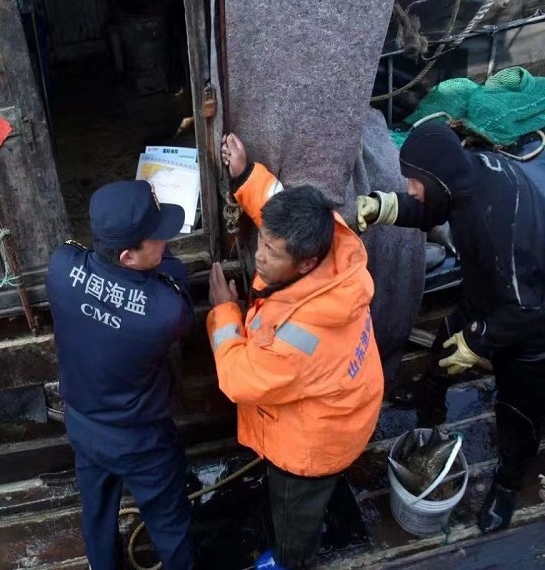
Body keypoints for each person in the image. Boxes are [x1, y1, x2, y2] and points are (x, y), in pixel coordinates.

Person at [356, 121, 545, 533]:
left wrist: (477, 344)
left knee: (518, 409)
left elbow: (527, 309)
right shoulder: (469, 172)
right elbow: (435, 205)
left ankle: (508, 485)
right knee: (442, 352)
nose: (410, 189)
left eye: (413, 183)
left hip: (529, 322)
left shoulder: (498, 222)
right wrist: (384, 206)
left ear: (437, 179)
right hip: (487, 294)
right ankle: (430, 411)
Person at [207, 134, 384, 569]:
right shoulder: (330, 240)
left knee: (293, 511)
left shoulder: (297, 341)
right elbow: (277, 202)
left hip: (313, 446)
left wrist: (223, 312)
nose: (259, 256)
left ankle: (292, 560)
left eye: (271, 251)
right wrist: (245, 175)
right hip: (348, 406)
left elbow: (238, 379)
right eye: (262, 242)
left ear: (305, 264)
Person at [47, 180, 195, 570]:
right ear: (127, 257)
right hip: (140, 440)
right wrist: (165, 262)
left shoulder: (61, 266)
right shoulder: (165, 311)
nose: (166, 243)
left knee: (97, 516)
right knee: (169, 524)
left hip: (82, 426)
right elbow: (175, 280)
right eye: (158, 238)